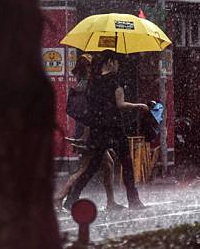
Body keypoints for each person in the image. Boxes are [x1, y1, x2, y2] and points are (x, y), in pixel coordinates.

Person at [63, 51, 148, 211]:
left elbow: (91, 104)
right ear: (110, 62)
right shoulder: (115, 81)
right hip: (114, 127)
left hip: (98, 127)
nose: (118, 66)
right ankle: (133, 200)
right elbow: (120, 104)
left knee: (93, 166)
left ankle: (72, 198)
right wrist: (139, 106)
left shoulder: (94, 81)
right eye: (116, 62)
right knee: (126, 162)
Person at [55, 54, 124, 210]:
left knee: (108, 164)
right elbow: (91, 112)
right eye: (93, 65)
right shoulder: (89, 85)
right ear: (88, 67)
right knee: (83, 168)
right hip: (90, 131)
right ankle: (59, 196)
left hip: (88, 129)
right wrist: (88, 135)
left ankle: (110, 201)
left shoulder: (82, 84)